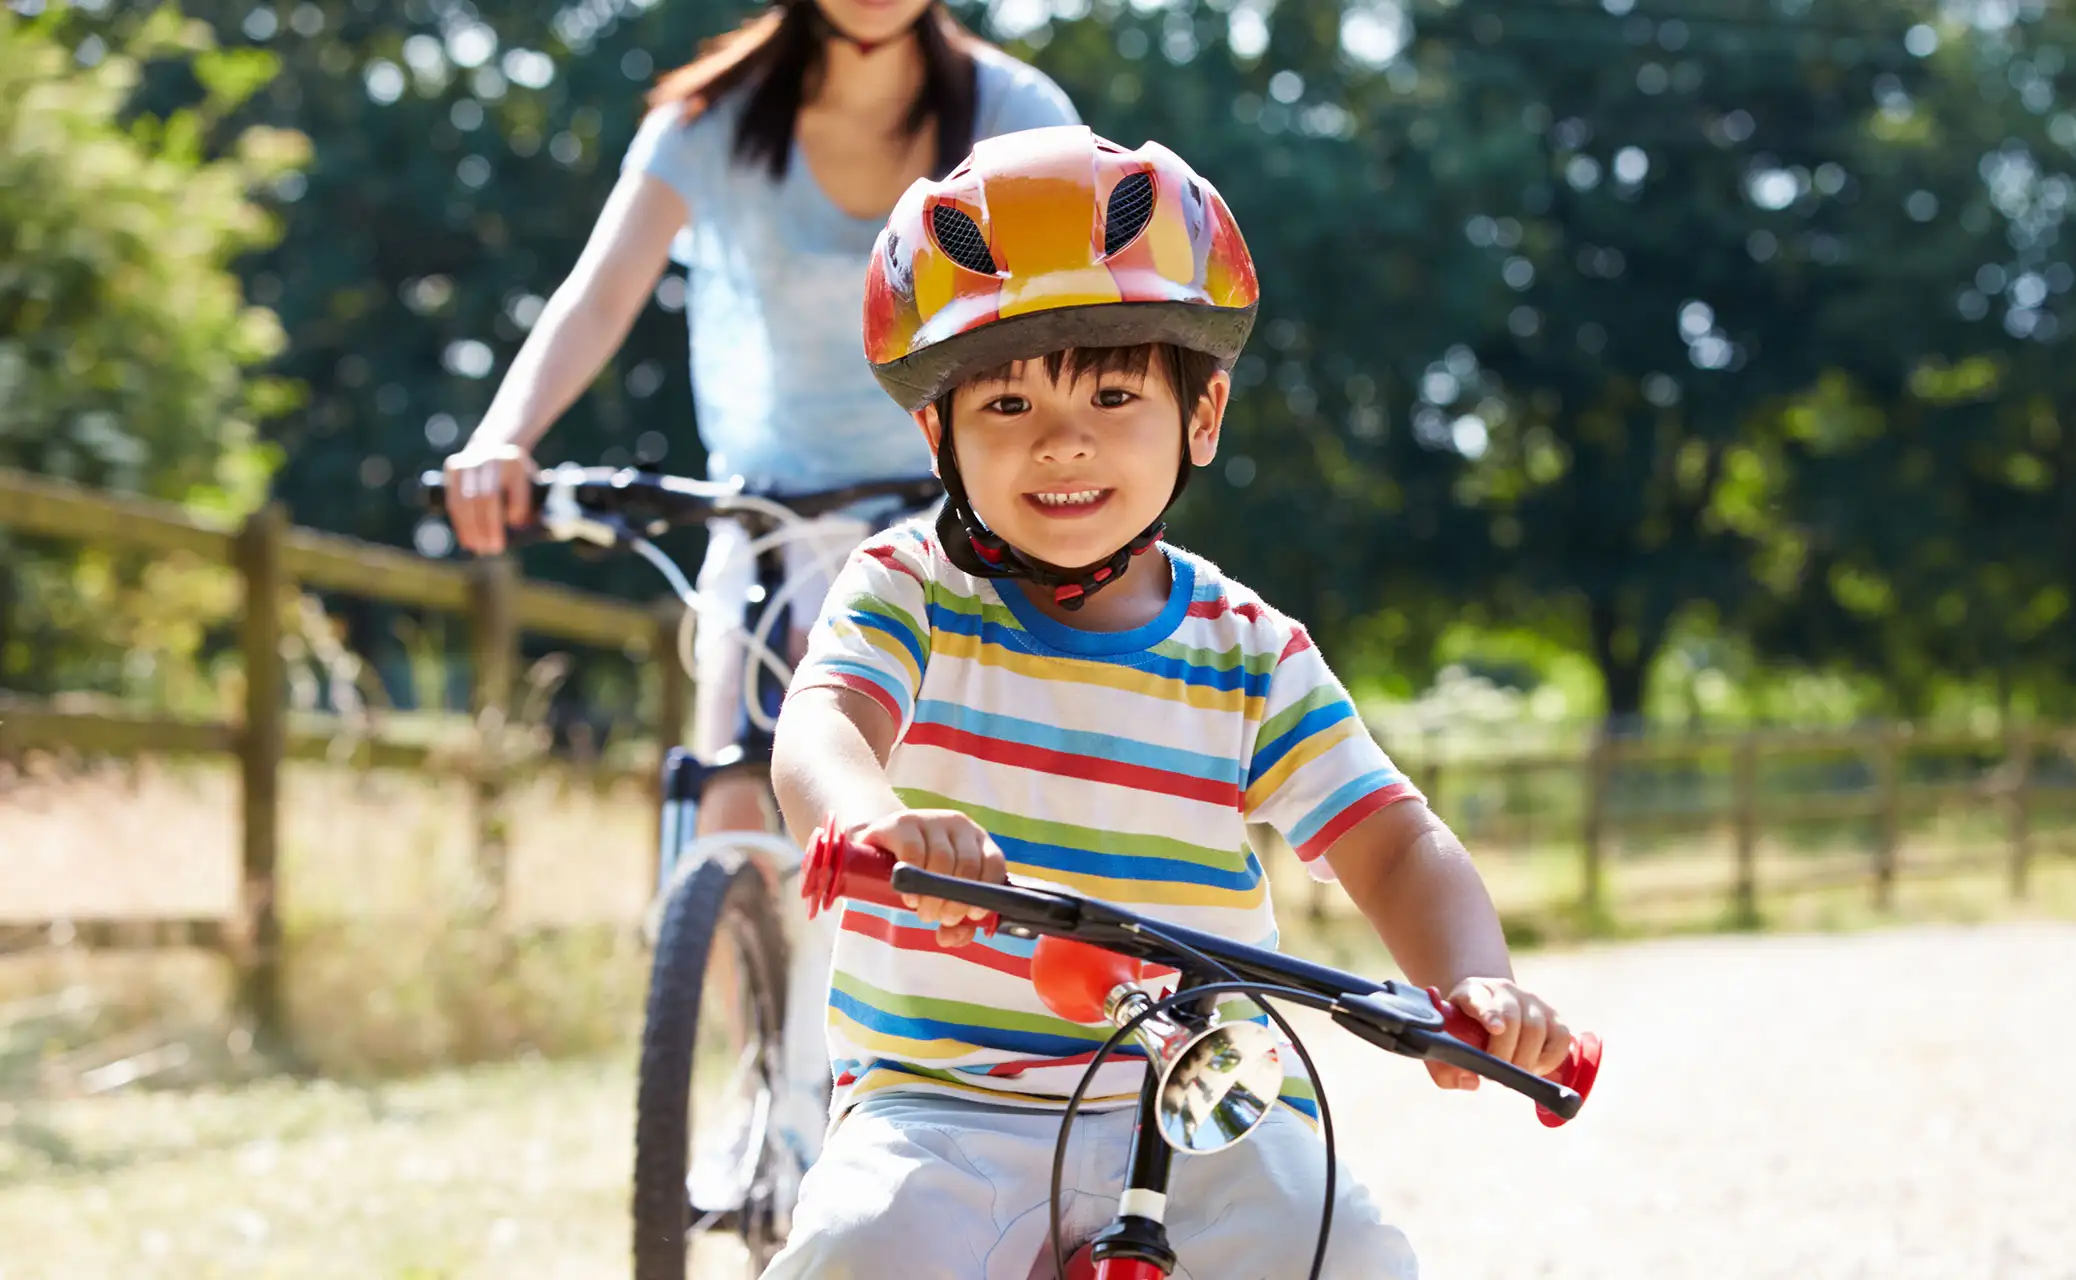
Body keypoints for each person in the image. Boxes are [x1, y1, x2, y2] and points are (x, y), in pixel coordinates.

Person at [761, 124, 1578, 1277]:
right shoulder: (909, 591)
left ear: (1201, 417)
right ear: (933, 429)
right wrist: (871, 817)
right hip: (948, 1102)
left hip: (1206, 1097)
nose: (1061, 441)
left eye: (1111, 393)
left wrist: (1471, 978)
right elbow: (825, 724)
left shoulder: (1246, 650)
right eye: (1004, 406)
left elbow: (1392, 839)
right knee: (858, 1247)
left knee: (1349, 1253)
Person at [434, 0, 1078, 1203]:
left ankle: (967, 1090)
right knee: (733, 797)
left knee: (973, 806)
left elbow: (1093, 297)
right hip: (767, 515)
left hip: (956, 515)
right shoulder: (709, 123)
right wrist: (503, 434)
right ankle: (765, 1092)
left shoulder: (1016, 117)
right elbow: (600, 288)